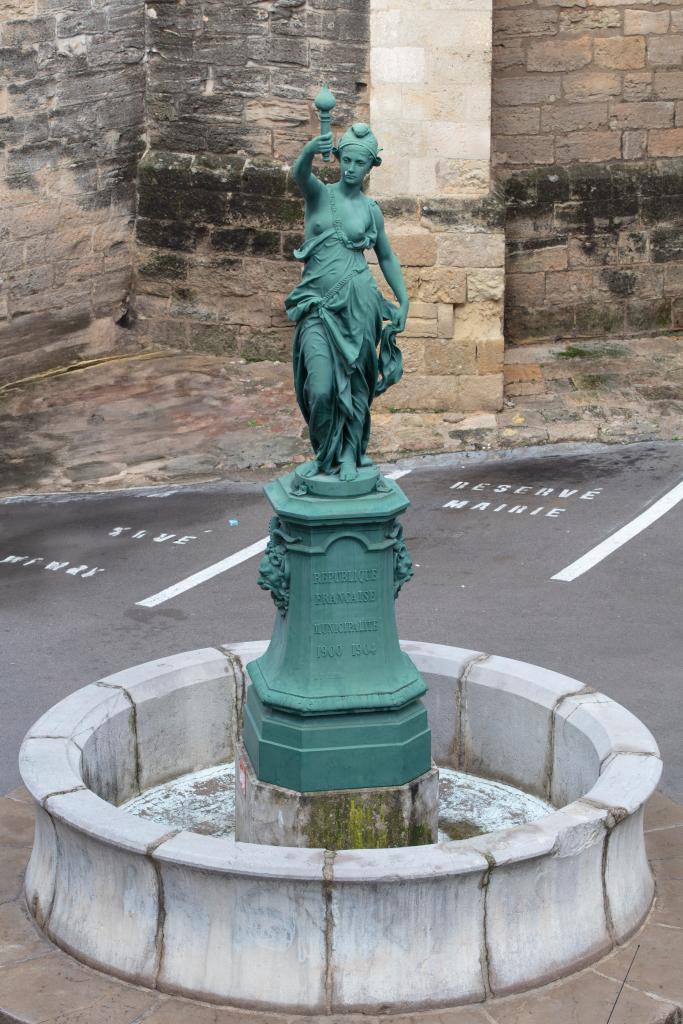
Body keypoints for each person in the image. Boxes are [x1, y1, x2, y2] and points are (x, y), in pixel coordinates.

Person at [286, 122, 409, 482]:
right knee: (320, 387)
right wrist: (310, 148)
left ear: (371, 167)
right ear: (338, 158)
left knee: (356, 384)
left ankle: (351, 453)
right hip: (317, 307)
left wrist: (402, 301)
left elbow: (386, 257)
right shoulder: (320, 196)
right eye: (347, 160)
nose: (351, 168)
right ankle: (325, 454)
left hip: (360, 304)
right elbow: (299, 174)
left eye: (360, 163)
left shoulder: (371, 211)